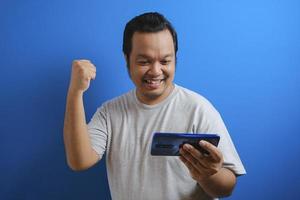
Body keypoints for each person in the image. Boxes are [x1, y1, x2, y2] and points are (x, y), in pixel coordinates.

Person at [63, 12, 246, 200]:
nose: (156, 71)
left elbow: (226, 188)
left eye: (165, 61)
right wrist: (75, 92)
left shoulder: (199, 108)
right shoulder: (109, 113)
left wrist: (209, 174)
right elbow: (79, 161)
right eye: (144, 62)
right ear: (127, 60)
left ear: (175, 59)